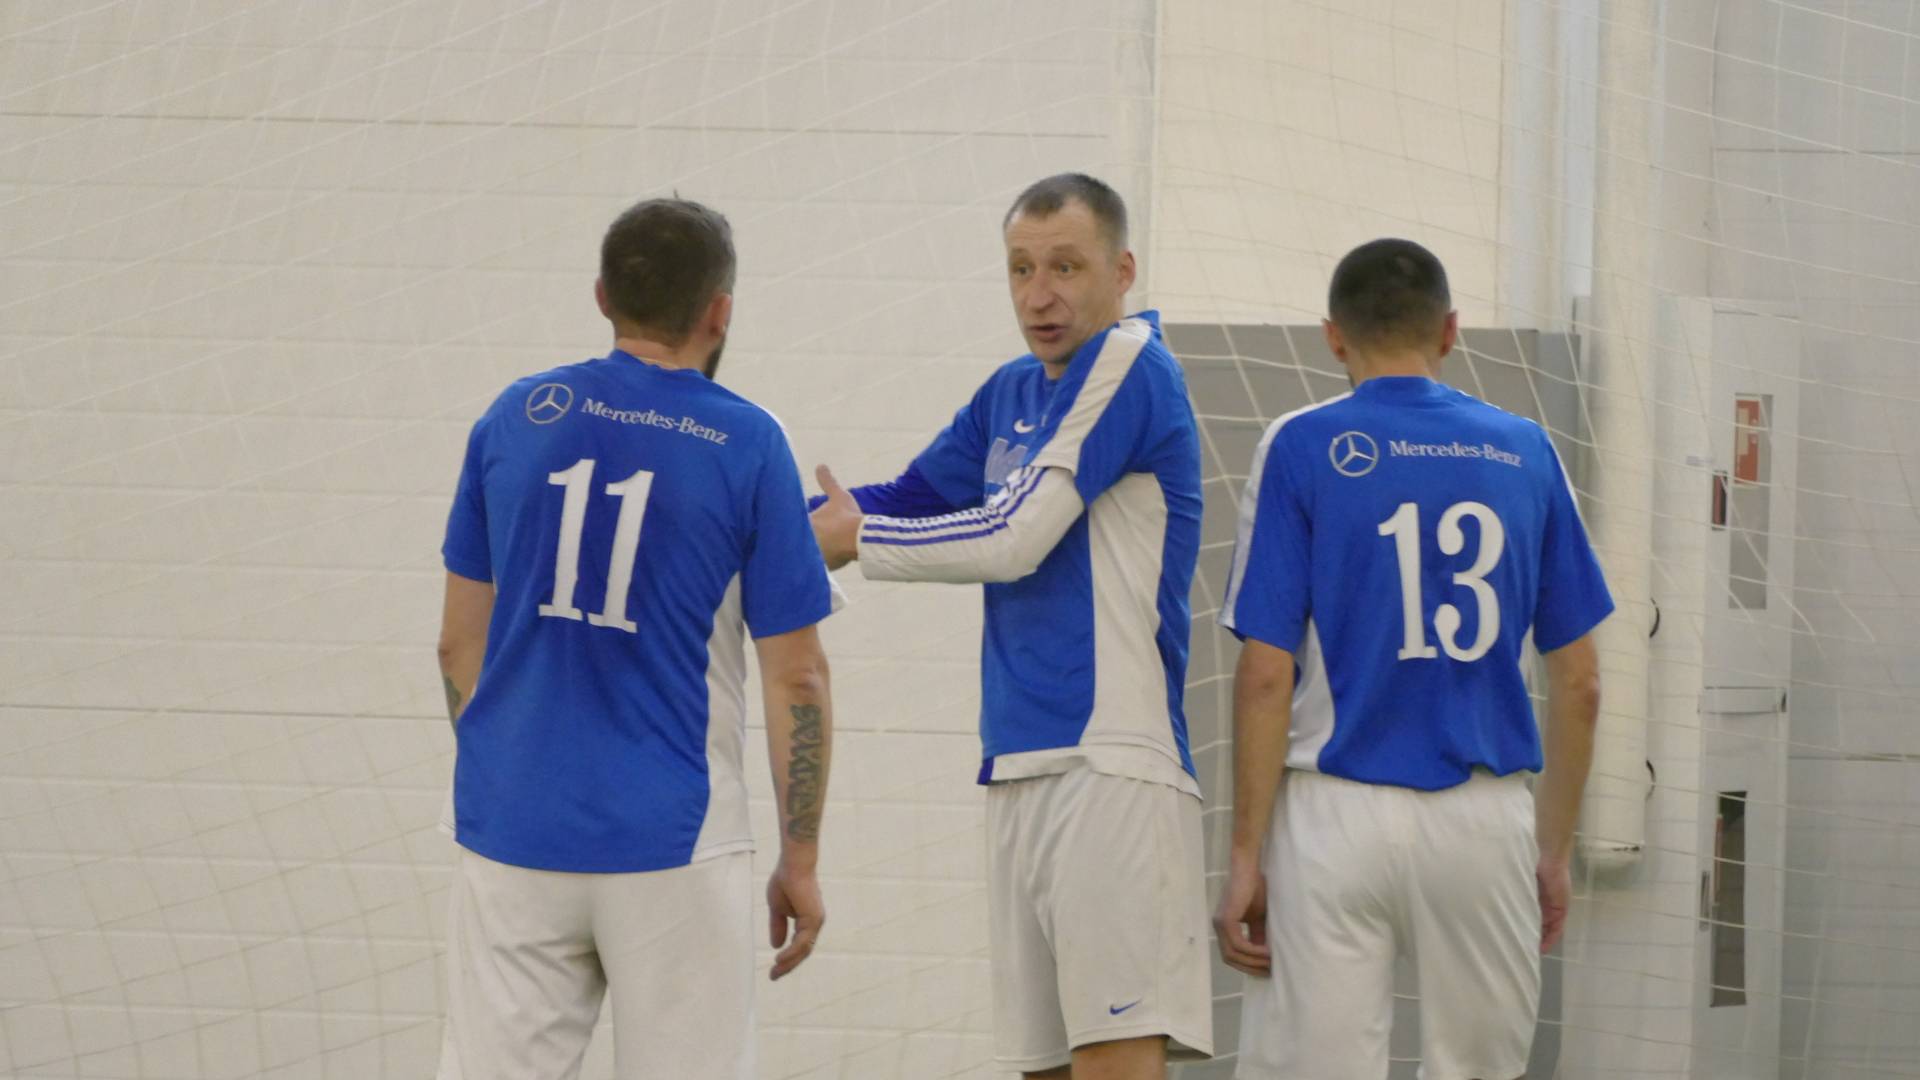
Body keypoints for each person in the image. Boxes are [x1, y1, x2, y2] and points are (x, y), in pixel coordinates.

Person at [810, 173, 1212, 1079]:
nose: (1039, 295)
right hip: (1018, 764)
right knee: (1043, 1064)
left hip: (1110, 766)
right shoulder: (1011, 391)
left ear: (1123, 272)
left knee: (1114, 1059)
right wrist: (755, 533)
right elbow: (904, 497)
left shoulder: (1133, 362)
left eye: (1066, 267)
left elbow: (1012, 537)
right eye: (1021, 269)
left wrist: (853, 541)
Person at [434, 198, 837, 1080]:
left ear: (601, 295)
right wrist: (800, 858)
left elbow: (457, 648)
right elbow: (797, 678)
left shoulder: (514, 415)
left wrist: (511, 773)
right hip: (673, 841)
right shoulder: (747, 439)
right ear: (720, 311)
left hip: (514, 832)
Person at [1212, 238, 1612, 1079]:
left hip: (1333, 815)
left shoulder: (1299, 443)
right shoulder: (1527, 449)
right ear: (1451, 331)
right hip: (1482, 817)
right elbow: (1580, 684)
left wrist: (1246, 854)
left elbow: (1266, 674)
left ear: (1333, 336)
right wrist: (1550, 851)